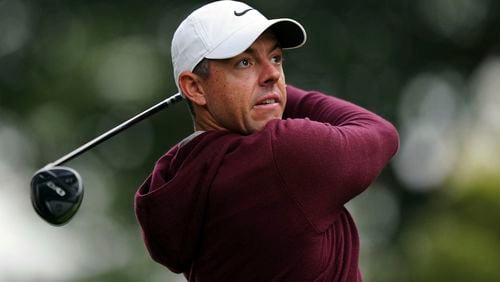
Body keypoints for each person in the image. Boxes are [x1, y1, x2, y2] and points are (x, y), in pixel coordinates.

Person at [134, 1, 399, 281]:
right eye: (244, 62)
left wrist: (262, 94)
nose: (272, 74)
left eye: (275, 58)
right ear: (195, 87)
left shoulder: (183, 175)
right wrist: (275, 96)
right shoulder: (283, 155)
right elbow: (380, 133)